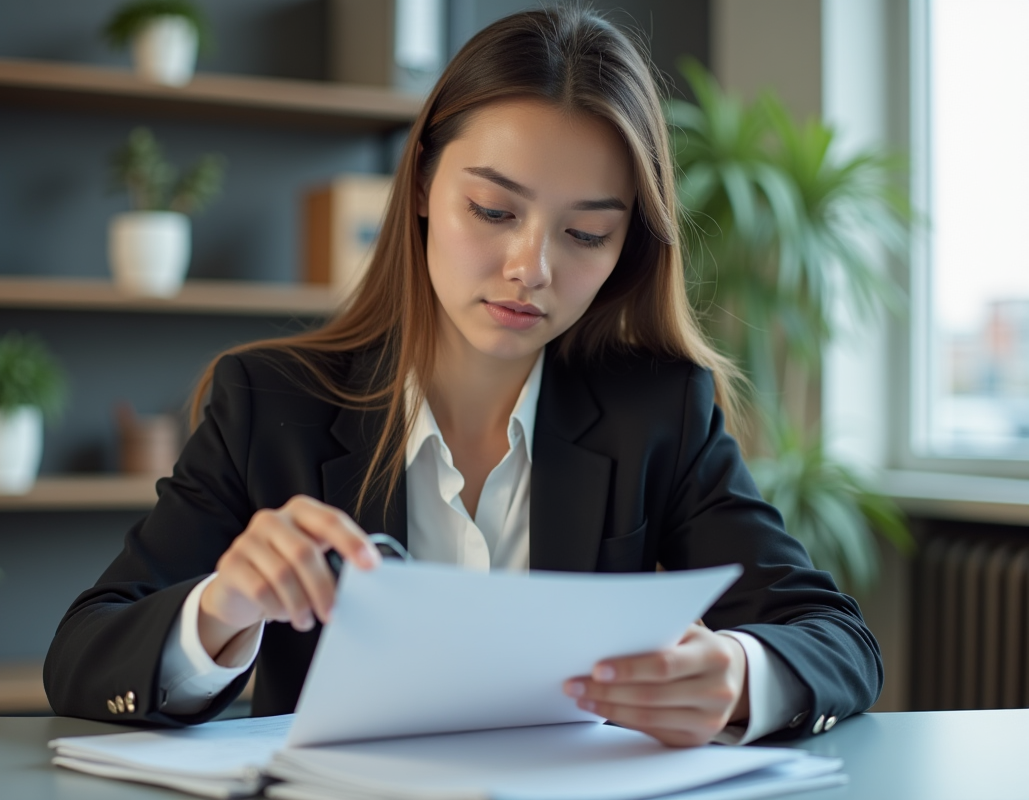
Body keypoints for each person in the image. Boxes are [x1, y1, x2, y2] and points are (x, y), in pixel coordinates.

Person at [44, 7, 881, 747]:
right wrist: (224, 606)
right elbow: (84, 654)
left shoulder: (656, 409)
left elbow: (834, 637)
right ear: (419, 188)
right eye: (493, 212)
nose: (532, 268)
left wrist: (736, 674)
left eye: (586, 234)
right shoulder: (269, 404)